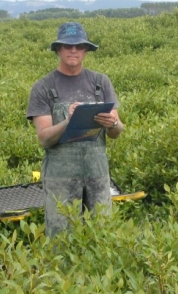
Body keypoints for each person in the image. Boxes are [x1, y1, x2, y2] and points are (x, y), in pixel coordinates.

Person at [26, 22, 124, 237]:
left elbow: (116, 132)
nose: (73, 50)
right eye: (68, 46)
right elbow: (44, 138)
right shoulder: (43, 87)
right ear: (58, 50)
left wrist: (113, 123)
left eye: (79, 46)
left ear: (86, 50)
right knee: (61, 237)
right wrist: (68, 121)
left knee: (102, 234)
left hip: (97, 173)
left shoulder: (101, 82)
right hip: (60, 177)